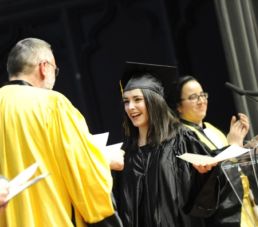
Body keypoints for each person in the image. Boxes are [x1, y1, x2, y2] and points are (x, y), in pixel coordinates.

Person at [0, 38, 123, 226]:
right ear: (44, 67)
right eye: (55, 70)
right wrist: (104, 159)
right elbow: (82, 169)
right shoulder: (52, 104)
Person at [113, 62, 219, 227]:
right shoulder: (124, 154)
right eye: (126, 101)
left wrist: (204, 174)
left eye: (137, 99)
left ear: (154, 101)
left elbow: (209, 193)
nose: (130, 107)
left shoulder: (182, 140)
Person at [169, 75, 250, 226]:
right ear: (179, 106)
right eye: (193, 97)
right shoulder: (181, 137)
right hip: (221, 215)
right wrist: (232, 146)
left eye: (202, 95)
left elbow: (232, 165)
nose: (201, 101)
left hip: (242, 206)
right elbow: (205, 177)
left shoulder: (213, 129)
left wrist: (246, 147)